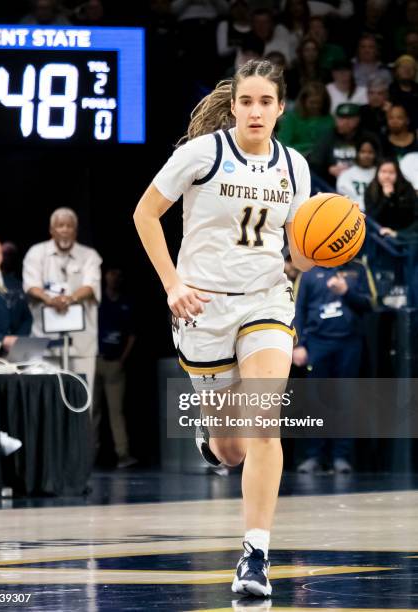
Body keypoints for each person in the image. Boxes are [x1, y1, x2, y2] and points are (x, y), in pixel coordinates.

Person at [133, 59, 313, 598]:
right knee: (230, 448)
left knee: (264, 421)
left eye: (266, 102)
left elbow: (298, 252)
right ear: (233, 106)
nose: (256, 111)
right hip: (202, 308)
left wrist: (318, 252)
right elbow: (145, 215)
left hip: (265, 302)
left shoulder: (295, 167)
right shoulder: (201, 154)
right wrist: (172, 286)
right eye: (246, 101)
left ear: (281, 108)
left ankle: (254, 555)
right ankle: (211, 439)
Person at [293, 259, 376, 473]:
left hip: (349, 342)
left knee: (345, 399)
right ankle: (314, 456)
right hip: (317, 343)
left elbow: (371, 303)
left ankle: (341, 456)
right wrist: (298, 345)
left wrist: (346, 291)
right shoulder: (308, 271)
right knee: (315, 400)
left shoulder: (358, 268)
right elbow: (297, 309)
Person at [22, 208, 102, 389]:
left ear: (75, 230)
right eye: (60, 226)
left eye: (69, 226)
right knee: (48, 399)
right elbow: (30, 285)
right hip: (45, 342)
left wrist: (71, 298)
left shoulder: (89, 255)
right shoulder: (36, 252)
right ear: (52, 230)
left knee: (82, 399)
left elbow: (91, 286)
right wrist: (49, 300)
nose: (65, 230)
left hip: (81, 344)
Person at [93, 266, 137, 469]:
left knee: (116, 412)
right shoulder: (97, 301)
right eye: (112, 273)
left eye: (118, 274)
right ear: (105, 276)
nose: (114, 277)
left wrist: (122, 359)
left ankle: (123, 454)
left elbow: (132, 335)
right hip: (95, 361)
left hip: (114, 364)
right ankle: (89, 456)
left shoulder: (126, 303)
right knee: (92, 411)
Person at [364, 159, 418, 240]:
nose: (387, 176)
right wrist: (385, 198)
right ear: (377, 173)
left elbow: (411, 215)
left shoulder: (406, 188)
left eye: (391, 172)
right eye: (383, 171)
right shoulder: (371, 189)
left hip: (405, 233)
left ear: (397, 174)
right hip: (379, 234)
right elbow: (371, 216)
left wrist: (397, 234)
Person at [278, 80, 334, 157]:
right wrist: (309, 149)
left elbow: (332, 144)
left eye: (319, 103)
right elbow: (283, 144)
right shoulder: (291, 118)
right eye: (312, 102)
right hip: (295, 158)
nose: (316, 106)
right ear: (303, 101)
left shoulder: (329, 119)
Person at [336, 137, 379, 211]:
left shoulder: (380, 173)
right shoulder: (346, 175)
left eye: (370, 152)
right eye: (363, 152)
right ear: (357, 153)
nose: (366, 155)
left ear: (375, 154)